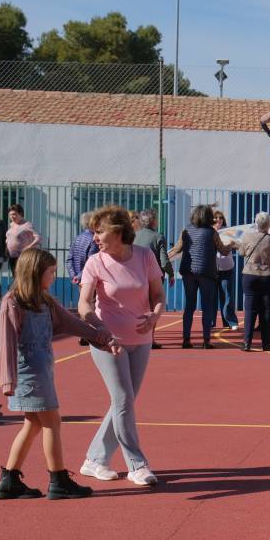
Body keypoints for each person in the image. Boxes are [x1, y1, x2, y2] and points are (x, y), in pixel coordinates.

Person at [0, 248, 120, 500]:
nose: (54, 277)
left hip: (42, 371)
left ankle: (9, 479)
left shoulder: (46, 302)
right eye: (51, 272)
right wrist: (7, 380)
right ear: (35, 272)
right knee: (52, 422)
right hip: (29, 374)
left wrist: (100, 336)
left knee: (32, 424)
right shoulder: (13, 302)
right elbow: (6, 342)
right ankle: (58, 479)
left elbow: (70, 323)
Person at [78, 205, 166, 487]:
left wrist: (155, 316)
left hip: (140, 341)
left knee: (123, 403)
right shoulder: (95, 262)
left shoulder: (144, 255)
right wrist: (100, 329)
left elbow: (158, 295)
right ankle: (137, 465)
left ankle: (94, 460)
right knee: (124, 401)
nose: (95, 238)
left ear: (117, 232)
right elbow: (83, 304)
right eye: (94, 232)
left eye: (99, 231)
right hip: (108, 344)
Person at [169, 204, 232, 349]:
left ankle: (186, 339)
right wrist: (231, 245)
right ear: (209, 217)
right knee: (207, 306)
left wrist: (166, 255)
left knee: (189, 306)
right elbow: (223, 251)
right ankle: (206, 340)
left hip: (188, 272)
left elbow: (178, 248)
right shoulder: (212, 232)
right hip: (206, 272)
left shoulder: (186, 230)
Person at [237, 211, 270, 351]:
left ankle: (247, 342)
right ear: (269, 225)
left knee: (249, 309)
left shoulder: (247, 236)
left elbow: (241, 252)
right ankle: (266, 344)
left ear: (256, 223)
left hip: (250, 274)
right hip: (268, 275)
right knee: (267, 310)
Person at [133, 209, 174, 349]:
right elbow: (164, 261)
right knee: (153, 307)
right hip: (152, 278)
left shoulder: (133, 236)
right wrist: (171, 274)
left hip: (134, 277)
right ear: (154, 221)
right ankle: (150, 338)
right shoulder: (158, 237)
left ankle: (134, 337)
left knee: (135, 308)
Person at [211, 210, 239, 332]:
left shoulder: (228, 231)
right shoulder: (208, 232)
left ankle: (230, 321)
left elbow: (237, 244)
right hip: (211, 269)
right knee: (211, 297)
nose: (218, 219)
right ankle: (211, 322)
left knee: (227, 296)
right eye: (216, 217)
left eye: (220, 217)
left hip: (226, 268)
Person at [5, 203, 42, 278]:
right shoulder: (12, 225)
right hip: (12, 257)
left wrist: (29, 247)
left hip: (22, 257)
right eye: (10, 215)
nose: (12, 217)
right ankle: (18, 290)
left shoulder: (27, 225)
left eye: (14, 214)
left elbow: (38, 238)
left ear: (20, 214)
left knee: (22, 278)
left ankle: (23, 290)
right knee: (15, 277)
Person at [66, 212, 99, 288]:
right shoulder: (94, 240)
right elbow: (91, 262)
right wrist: (79, 276)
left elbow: (69, 260)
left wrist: (74, 276)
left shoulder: (77, 238)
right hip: (90, 279)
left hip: (79, 279)